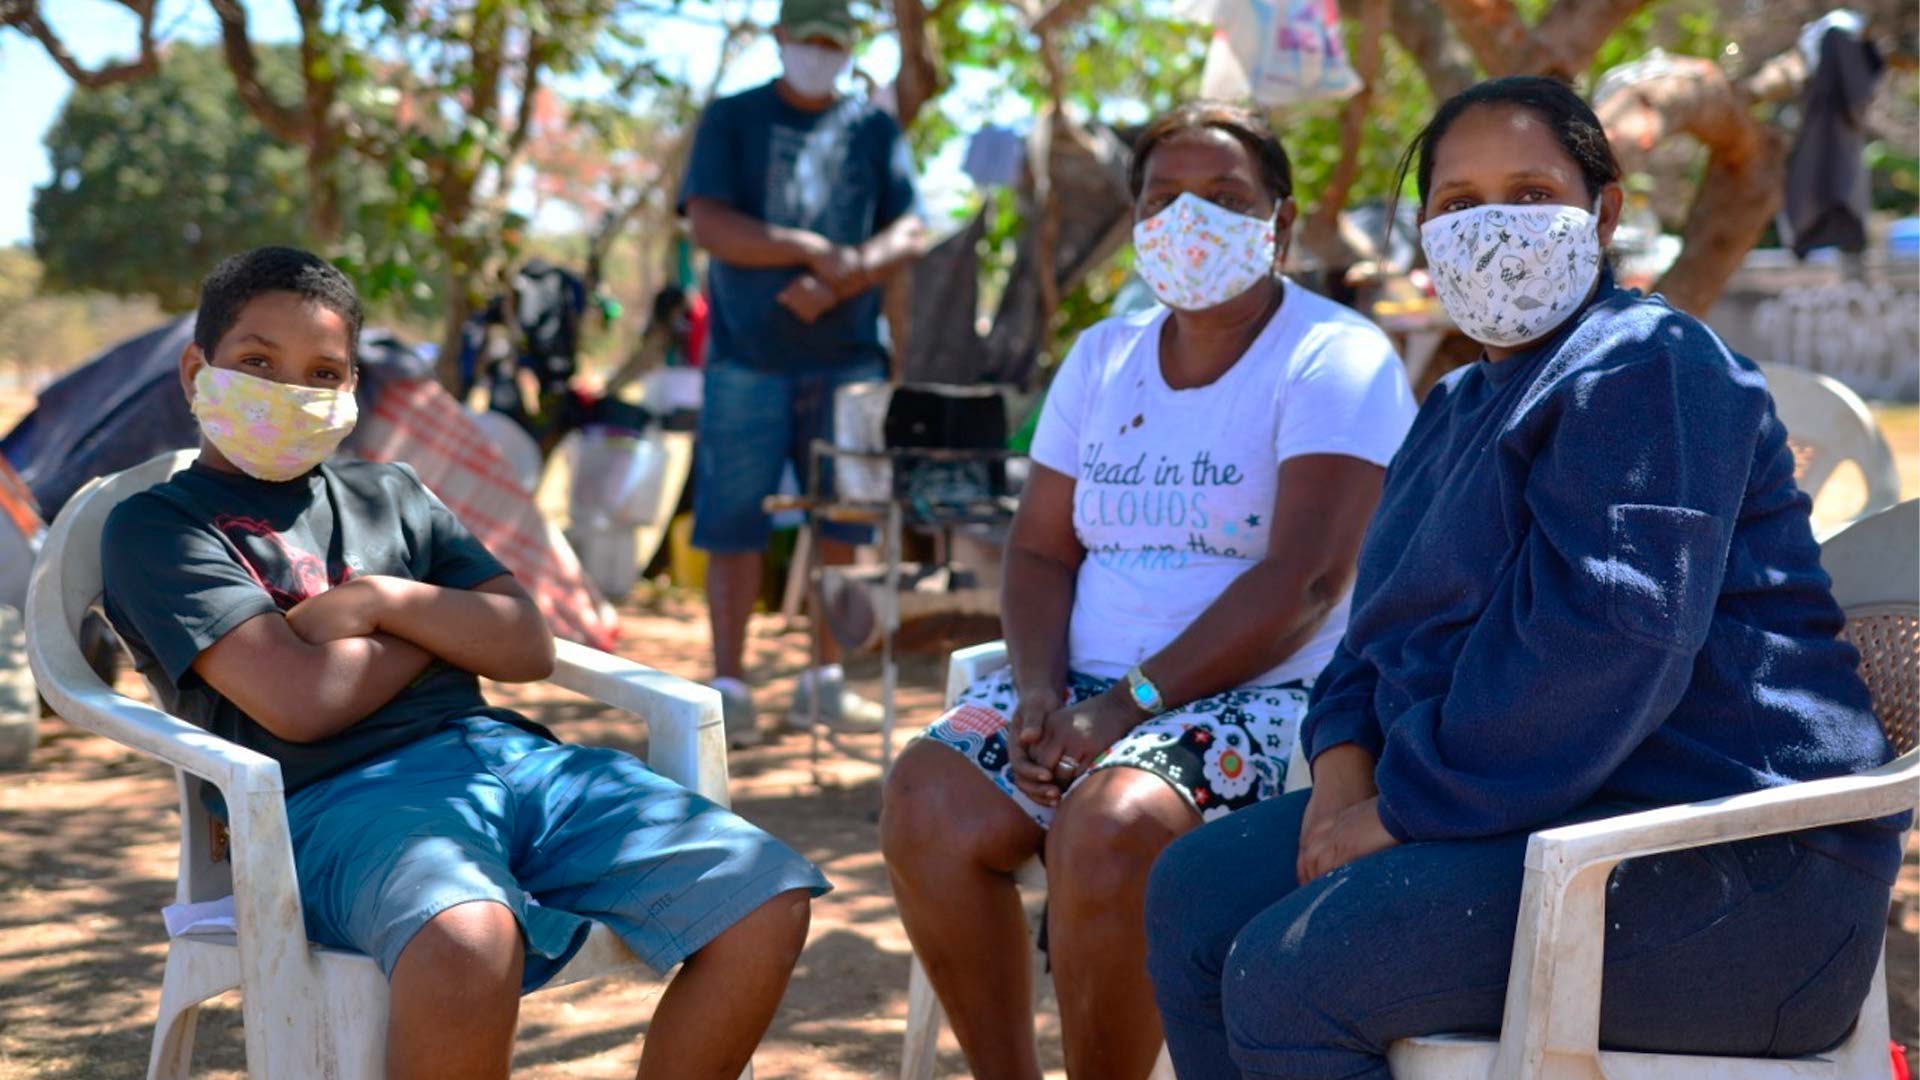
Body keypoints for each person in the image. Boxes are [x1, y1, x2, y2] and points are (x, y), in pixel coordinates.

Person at [1142, 77, 1904, 1080]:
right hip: (1540, 811)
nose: (1494, 228)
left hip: (1728, 870)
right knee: (1193, 892)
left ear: (1606, 211)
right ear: (1423, 232)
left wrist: (1394, 816)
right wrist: (1338, 786)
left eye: (1531, 193)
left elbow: (1601, 650)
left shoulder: (1650, 367)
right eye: (1458, 205)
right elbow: (1374, 640)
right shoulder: (1457, 405)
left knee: (1292, 974)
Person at [100, 247, 830, 1080]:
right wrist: (446, 624)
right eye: (257, 363)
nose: (288, 391)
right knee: (468, 940)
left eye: (322, 373)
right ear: (199, 368)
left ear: (349, 393)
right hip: (331, 801)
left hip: (509, 763)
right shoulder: (160, 528)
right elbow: (303, 703)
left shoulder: (393, 495)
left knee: (765, 900)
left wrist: (383, 601)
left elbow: (526, 644)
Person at [881, 103, 1417, 1079]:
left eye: (1226, 199)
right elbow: (1040, 553)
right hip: (1084, 684)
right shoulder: (1103, 357)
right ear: (1134, 221)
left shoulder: (1335, 356)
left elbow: (1306, 581)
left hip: (1267, 696)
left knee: (1114, 825)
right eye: (1164, 198)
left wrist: (1120, 709)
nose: (1191, 221)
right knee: (926, 798)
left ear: (1282, 225)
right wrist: (1045, 694)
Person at [678, 0, 925, 745]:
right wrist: (807, 248)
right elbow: (708, 224)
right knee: (732, 522)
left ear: (849, 49)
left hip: (849, 355)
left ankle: (822, 680)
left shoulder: (873, 128)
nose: (819, 52)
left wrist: (841, 278)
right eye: (808, 39)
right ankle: (729, 686)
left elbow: (909, 226)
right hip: (746, 356)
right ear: (781, 38)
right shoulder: (732, 118)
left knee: (842, 519)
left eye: (833, 42)